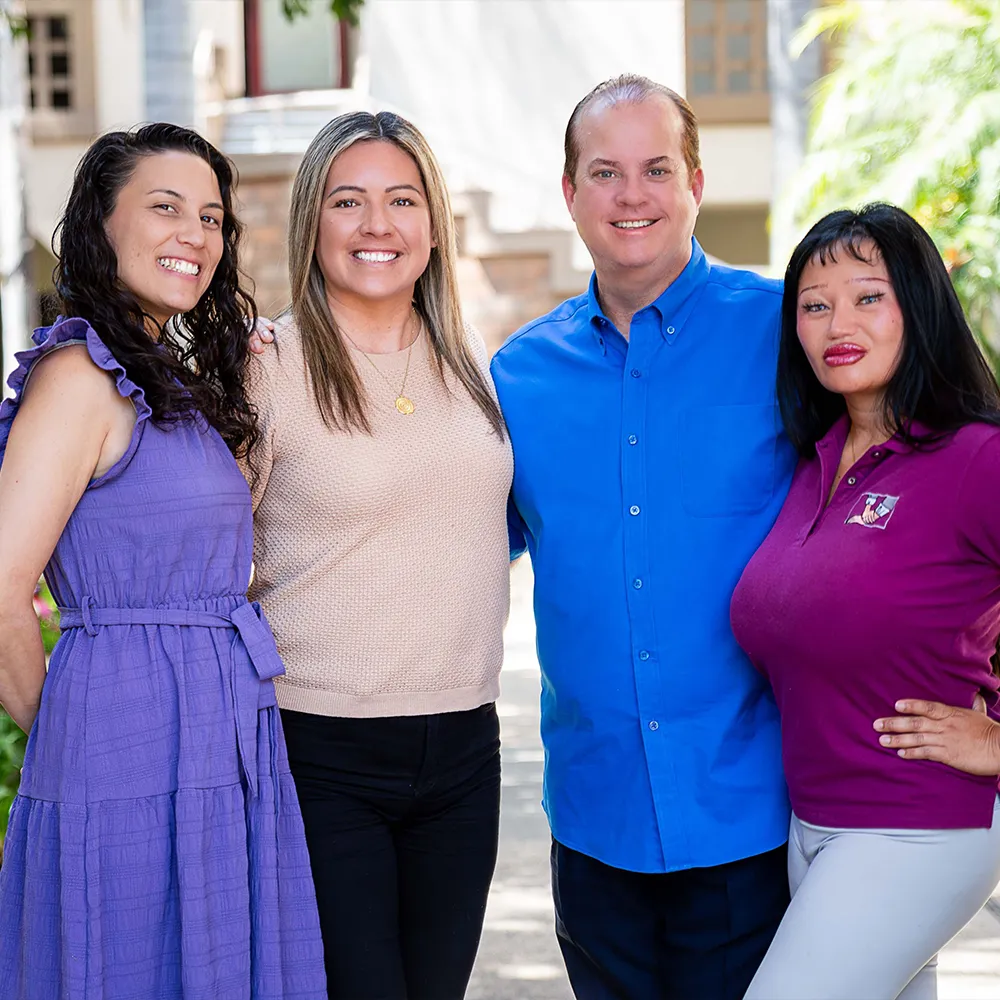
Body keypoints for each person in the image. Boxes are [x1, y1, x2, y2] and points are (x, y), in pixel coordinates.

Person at [0, 123, 326, 999]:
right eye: (165, 207)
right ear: (100, 226)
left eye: (212, 218)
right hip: (125, 735)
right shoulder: (78, 375)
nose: (195, 233)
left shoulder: (164, 380)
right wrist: (60, 735)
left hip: (220, 728)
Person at [489, 74, 795, 1000]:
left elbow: (919, 484)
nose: (633, 195)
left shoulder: (789, 333)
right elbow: (442, 542)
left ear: (695, 181)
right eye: (606, 171)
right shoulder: (518, 374)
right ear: (570, 193)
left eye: (656, 168)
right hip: (594, 816)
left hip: (756, 814)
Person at [245, 110, 512, 1000]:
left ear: (432, 226)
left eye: (402, 200)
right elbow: (206, 556)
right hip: (319, 752)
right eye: (347, 202)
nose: (376, 226)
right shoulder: (264, 366)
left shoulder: (473, 364)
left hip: (466, 748)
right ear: (310, 224)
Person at [732, 204, 1000, 1000]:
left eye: (867, 296)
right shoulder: (810, 464)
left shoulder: (975, 458)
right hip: (812, 827)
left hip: (919, 825)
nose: (837, 323)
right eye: (815, 305)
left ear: (918, 305)